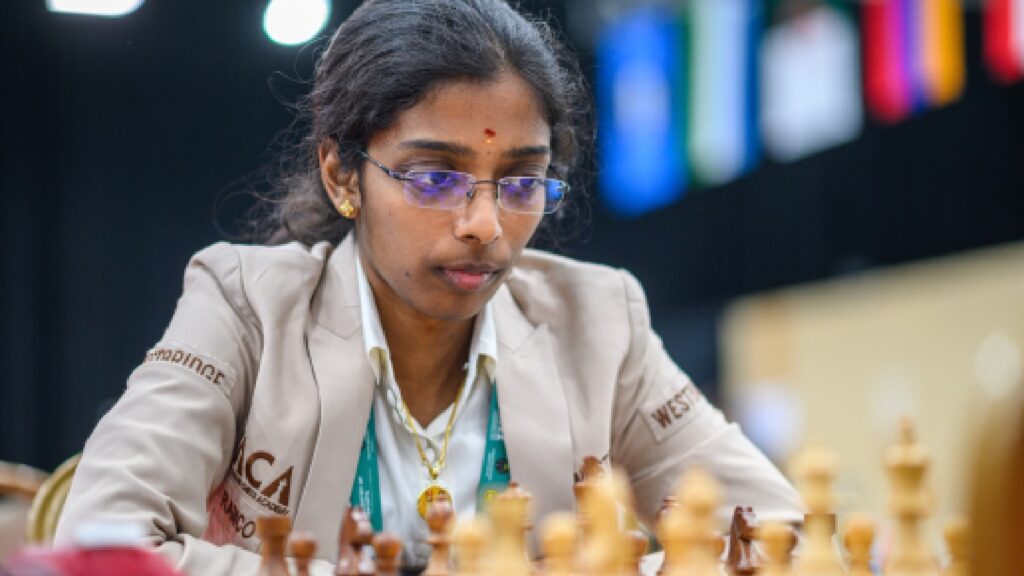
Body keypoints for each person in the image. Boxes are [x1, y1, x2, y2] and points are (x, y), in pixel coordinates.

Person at [54, 0, 803, 574]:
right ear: (342, 175)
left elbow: (779, 527)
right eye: (435, 176)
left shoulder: (599, 319)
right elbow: (102, 542)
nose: (484, 222)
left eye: (522, 181)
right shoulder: (245, 303)